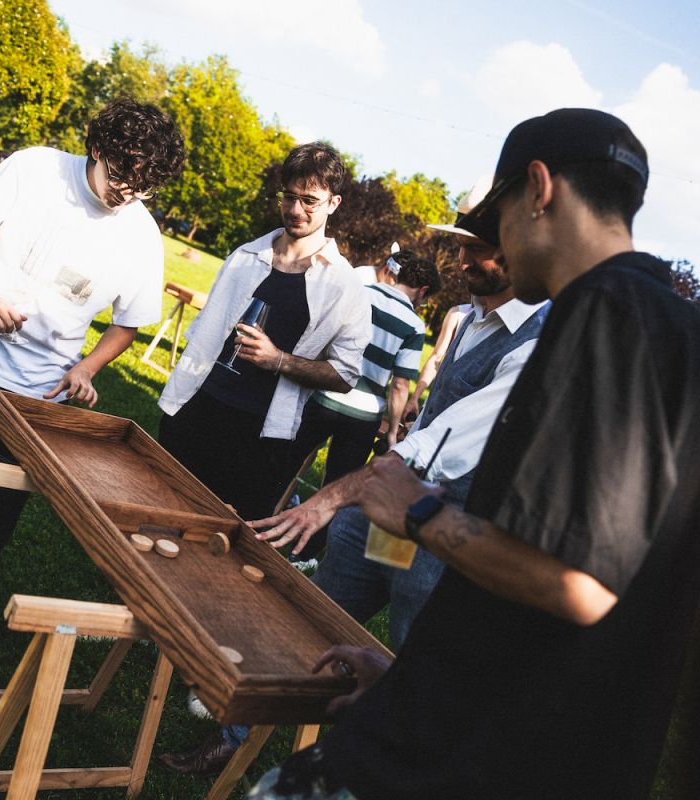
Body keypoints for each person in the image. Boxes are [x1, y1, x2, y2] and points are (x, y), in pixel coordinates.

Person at [247, 108, 700, 800]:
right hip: (521, 739)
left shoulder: (602, 314)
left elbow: (580, 585)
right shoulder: (673, 327)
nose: (497, 246)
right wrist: (411, 677)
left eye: (499, 215)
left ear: (539, 189)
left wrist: (418, 513)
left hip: (459, 762)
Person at [0, 98, 185, 665]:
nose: (127, 194)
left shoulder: (141, 234)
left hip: (39, 389)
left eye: (143, 188)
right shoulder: (35, 167)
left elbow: (128, 323)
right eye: (120, 177)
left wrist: (86, 367)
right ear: (97, 148)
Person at [253, 178, 548, 650]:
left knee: (412, 658)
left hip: (447, 541)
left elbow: (437, 452)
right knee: (314, 620)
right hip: (387, 510)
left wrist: (329, 499)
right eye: (461, 245)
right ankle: (261, 691)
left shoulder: (538, 344)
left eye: (479, 249)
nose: (463, 260)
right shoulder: (474, 313)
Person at [156, 142, 371, 523]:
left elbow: (344, 375)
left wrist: (279, 360)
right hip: (196, 409)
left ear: (333, 203)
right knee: (157, 510)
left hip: (260, 436)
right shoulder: (245, 256)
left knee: (223, 533)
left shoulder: (344, 286)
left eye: (309, 201)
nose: (295, 209)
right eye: (289, 197)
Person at [282, 249, 438, 563]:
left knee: (285, 465)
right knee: (336, 489)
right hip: (364, 415)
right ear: (422, 290)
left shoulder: (362, 293)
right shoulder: (414, 325)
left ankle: (262, 519)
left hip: (325, 395)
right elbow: (400, 385)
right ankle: (304, 556)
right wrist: (392, 432)